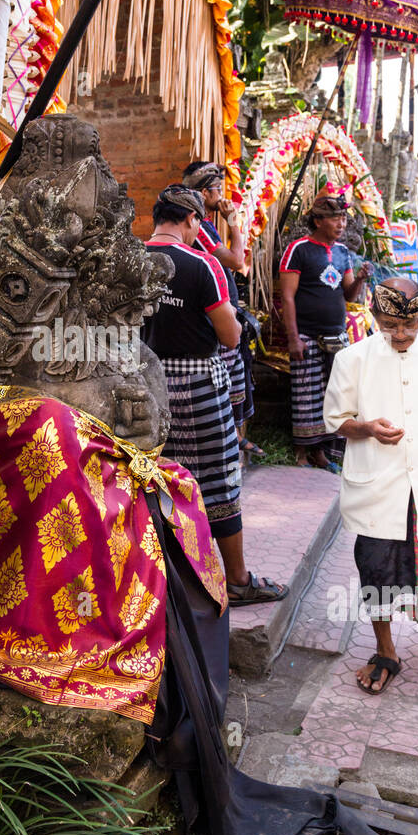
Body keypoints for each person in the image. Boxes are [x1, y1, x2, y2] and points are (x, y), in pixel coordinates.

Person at [322, 277, 418, 696]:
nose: (402, 334)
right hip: (379, 488)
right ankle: (386, 650)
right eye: (391, 324)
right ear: (374, 316)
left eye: (410, 324)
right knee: (378, 568)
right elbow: (336, 420)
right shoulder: (352, 359)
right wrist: (367, 428)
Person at [143, 185, 288, 605]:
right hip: (198, 387)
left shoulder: (130, 259)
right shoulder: (200, 264)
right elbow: (229, 334)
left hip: (146, 385)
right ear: (191, 219)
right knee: (219, 481)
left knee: (160, 478)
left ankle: (168, 581)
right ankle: (238, 581)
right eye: (198, 225)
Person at [279, 184, 373, 471]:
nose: (341, 224)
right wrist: (293, 338)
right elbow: (287, 296)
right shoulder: (299, 250)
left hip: (336, 334)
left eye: (344, 220)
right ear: (318, 221)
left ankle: (323, 450)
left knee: (333, 394)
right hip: (307, 334)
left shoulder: (343, 252)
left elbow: (348, 294)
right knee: (305, 394)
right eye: (335, 219)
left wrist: (359, 279)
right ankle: (302, 451)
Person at [181, 161, 263, 460]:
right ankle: (232, 449)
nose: (222, 197)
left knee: (238, 386)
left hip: (221, 313)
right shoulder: (199, 225)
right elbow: (235, 260)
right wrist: (234, 221)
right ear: (205, 193)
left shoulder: (203, 224)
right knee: (229, 387)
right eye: (218, 190)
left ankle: (238, 446)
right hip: (213, 319)